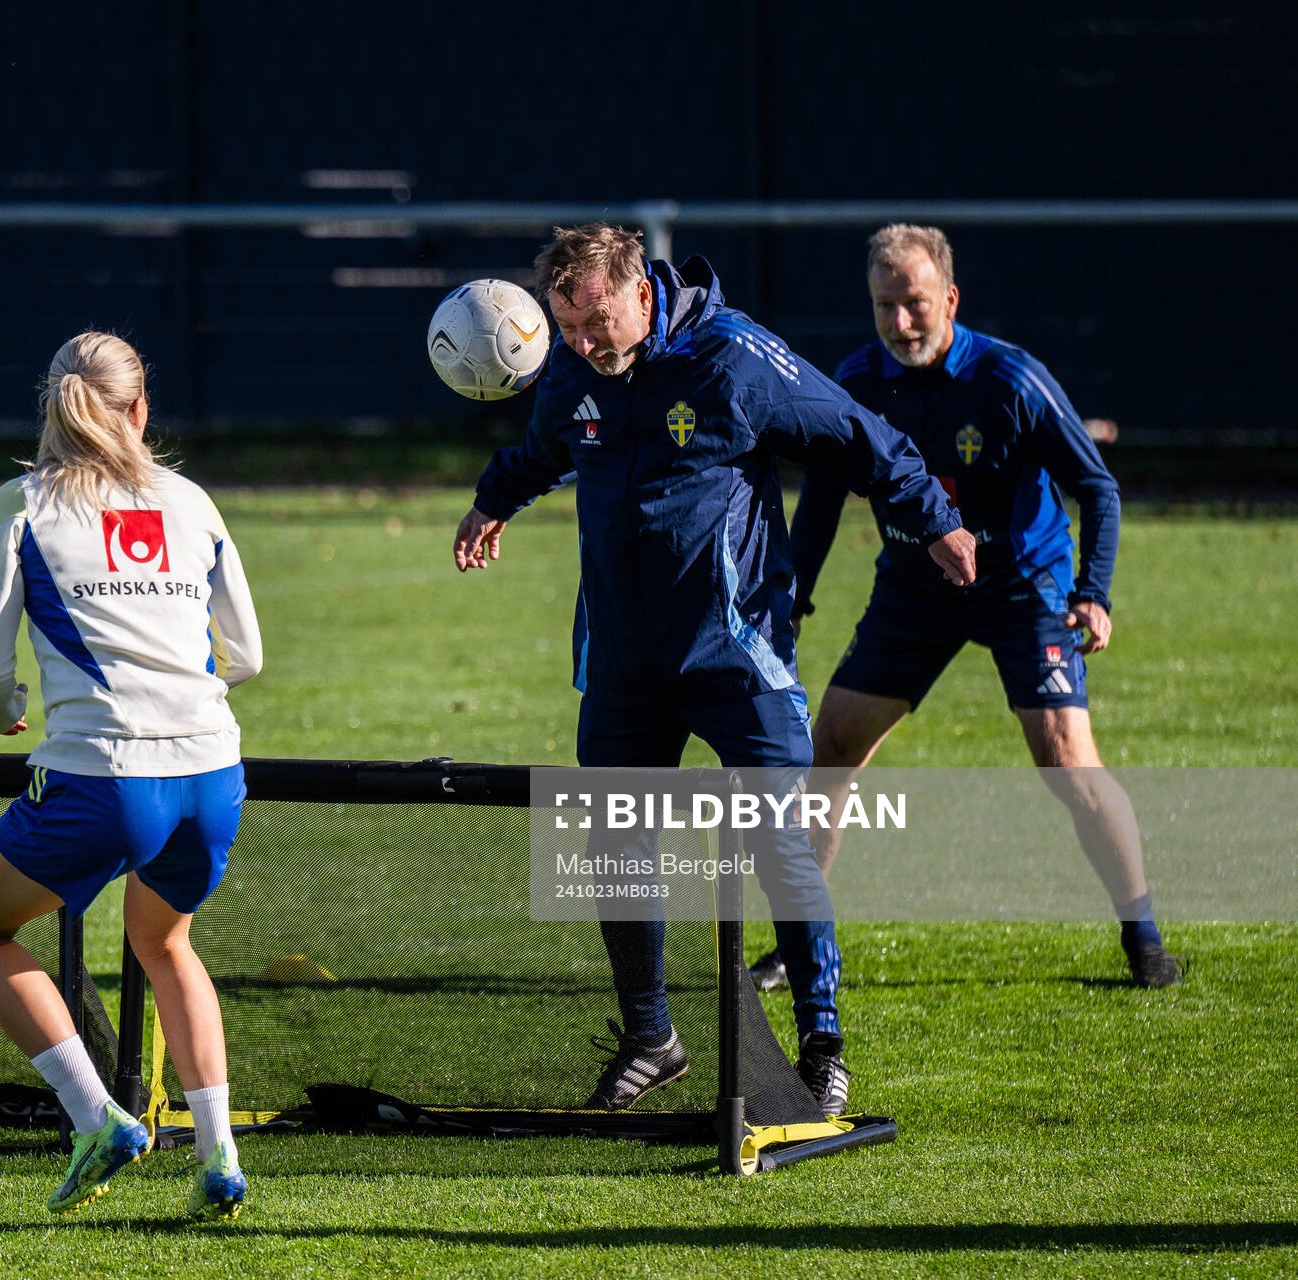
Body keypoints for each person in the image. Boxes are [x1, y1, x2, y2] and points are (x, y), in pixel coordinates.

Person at [454, 224, 977, 1117]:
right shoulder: (578, 370)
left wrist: (936, 520)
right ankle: (651, 1037)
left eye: (597, 324)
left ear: (640, 292)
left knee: (781, 847)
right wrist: (493, 502)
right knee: (614, 848)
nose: (580, 348)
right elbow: (545, 446)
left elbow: (858, 435)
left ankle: (822, 1042)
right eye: (567, 330)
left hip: (738, 655)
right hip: (624, 662)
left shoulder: (732, 358)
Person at [747, 224, 1182, 993]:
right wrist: (793, 596)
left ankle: (1143, 934)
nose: (901, 323)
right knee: (831, 749)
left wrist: (1093, 592)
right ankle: (797, 942)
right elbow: (818, 496)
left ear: (950, 298)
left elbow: (1097, 486)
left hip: (1022, 586)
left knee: (1066, 763)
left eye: (914, 303)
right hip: (916, 588)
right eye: (885, 306)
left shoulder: (1010, 379)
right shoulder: (858, 381)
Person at [0, 331, 263, 1219]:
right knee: (167, 944)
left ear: (50, 405)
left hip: (104, 779)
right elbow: (250, 654)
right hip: (212, 771)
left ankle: (97, 1118)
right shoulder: (191, 500)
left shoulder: (20, 504)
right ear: (141, 409)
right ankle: (220, 1159)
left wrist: (1, 709)